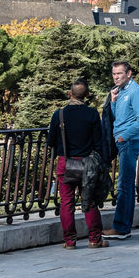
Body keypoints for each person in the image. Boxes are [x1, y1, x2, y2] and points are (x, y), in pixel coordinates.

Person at [47, 78, 107, 249]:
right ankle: (95, 239)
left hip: (65, 163)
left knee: (66, 202)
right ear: (87, 95)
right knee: (89, 200)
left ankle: (69, 241)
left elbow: (51, 141)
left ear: (70, 94)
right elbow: (98, 142)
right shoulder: (92, 114)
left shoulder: (58, 114)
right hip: (87, 163)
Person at [103, 60, 139, 240]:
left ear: (129, 74)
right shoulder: (120, 92)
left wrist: (124, 136)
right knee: (125, 185)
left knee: (124, 186)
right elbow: (118, 117)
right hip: (122, 142)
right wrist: (113, 102)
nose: (116, 77)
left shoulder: (135, 91)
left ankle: (120, 227)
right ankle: (123, 227)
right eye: (114, 74)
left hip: (129, 142)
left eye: (119, 74)